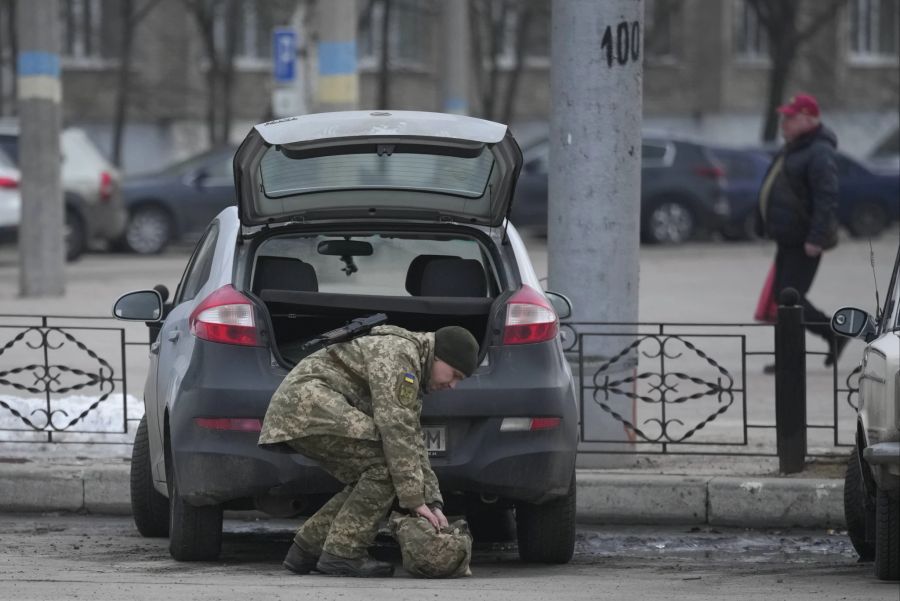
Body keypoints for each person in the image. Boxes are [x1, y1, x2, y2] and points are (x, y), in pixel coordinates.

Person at [258, 324, 479, 578]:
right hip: (308, 406)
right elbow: (395, 430)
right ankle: (344, 553)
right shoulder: (400, 356)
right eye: (454, 375)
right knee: (385, 470)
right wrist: (414, 501)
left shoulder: (413, 363)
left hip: (303, 410)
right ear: (439, 356)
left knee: (372, 476)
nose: (453, 386)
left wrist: (433, 502)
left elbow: (412, 438)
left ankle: (307, 549)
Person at [757, 93, 846, 372]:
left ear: (809, 119)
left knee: (789, 299)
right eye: (783, 117)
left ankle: (832, 334)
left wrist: (816, 238)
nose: (784, 123)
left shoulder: (819, 152)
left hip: (804, 241)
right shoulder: (796, 148)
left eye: (790, 118)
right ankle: (791, 356)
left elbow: (826, 197)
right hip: (788, 238)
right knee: (784, 299)